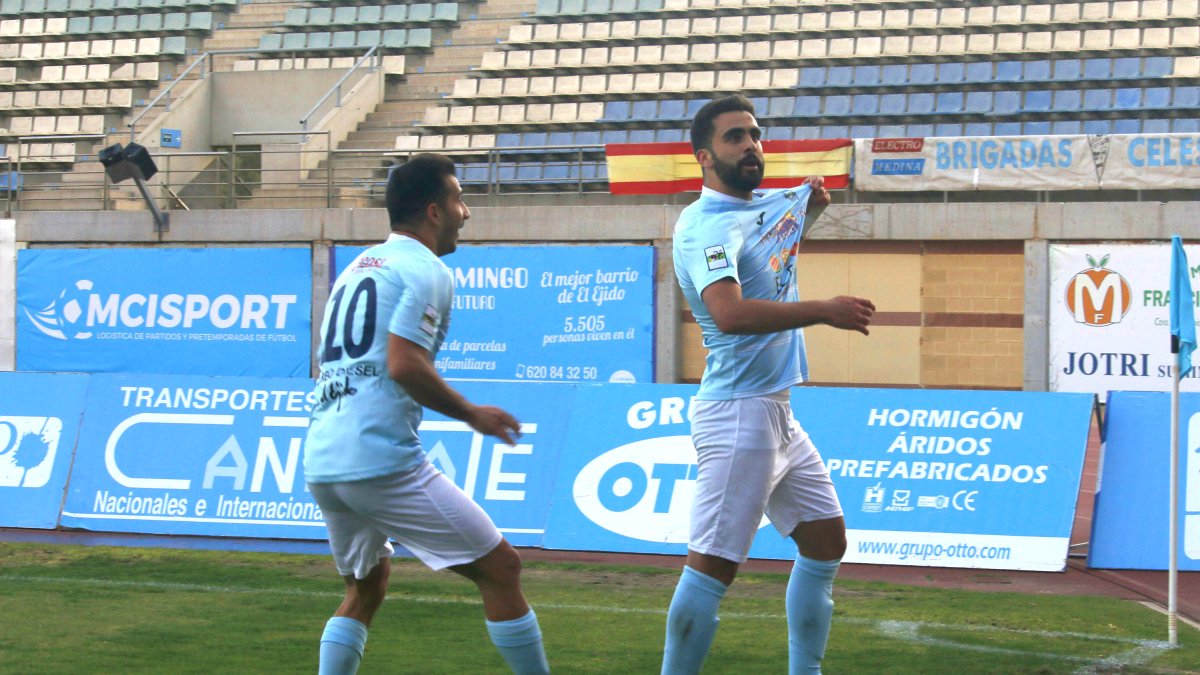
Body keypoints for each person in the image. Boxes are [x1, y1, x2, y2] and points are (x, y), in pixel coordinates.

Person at [303, 153, 550, 675]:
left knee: (365, 590)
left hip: (324, 458)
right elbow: (404, 364)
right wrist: (471, 413)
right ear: (435, 212)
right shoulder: (427, 269)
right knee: (502, 567)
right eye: (461, 200)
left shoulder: (358, 267)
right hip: (379, 459)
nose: (467, 213)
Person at [663, 95, 875, 674]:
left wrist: (806, 217)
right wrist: (824, 309)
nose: (752, 145)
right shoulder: (703, 227)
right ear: (705, 156)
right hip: (737, 415)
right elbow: (729, 314)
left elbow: (768, 263)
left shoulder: (759, 210)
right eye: (735, 137)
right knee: (712, 566)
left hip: (775, 412)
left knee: (827, 541)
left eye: (755, 134)